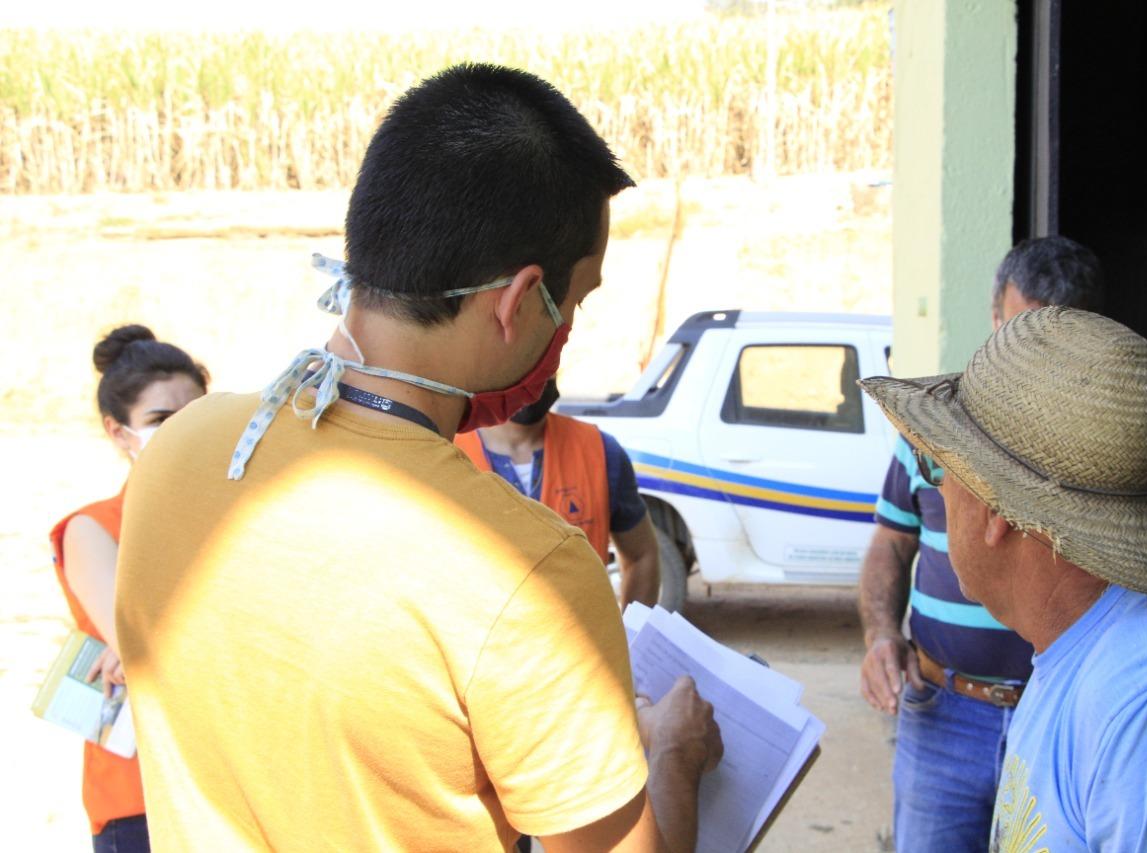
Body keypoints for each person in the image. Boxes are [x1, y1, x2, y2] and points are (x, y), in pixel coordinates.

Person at [114, 64, 722, 852]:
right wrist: (673, 754)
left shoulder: (182, 449)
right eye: (575, 303)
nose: (569, 328)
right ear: (517, 301)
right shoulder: (524, 568)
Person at [861, 306, 1147, 851]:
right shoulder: (1072, 651)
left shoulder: (1130, 703)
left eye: (940, 470)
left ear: (996, 512)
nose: (939, 493)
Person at [49, 324, 208, 852]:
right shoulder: (92, 528)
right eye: (161, 420)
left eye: (194, 417)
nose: (182, 432)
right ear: (119, 432)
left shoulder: (234, 522)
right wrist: (143, 645)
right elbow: (139, 642)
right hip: (139, 793)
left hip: (234, 779)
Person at [455, 377, 661, 608]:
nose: (535, 373)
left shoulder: (600, 451)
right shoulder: (446, 453)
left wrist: (630, 638)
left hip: (581, 639)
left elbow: (642, 555)